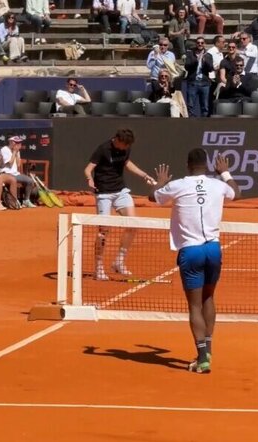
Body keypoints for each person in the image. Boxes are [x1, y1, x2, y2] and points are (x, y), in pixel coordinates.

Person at [149, 149, 240, 373]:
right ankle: (207, 350)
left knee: (195, 305)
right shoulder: (218, 185)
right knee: (208, 297)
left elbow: (153, 197)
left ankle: (202, 359)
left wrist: (160, 183)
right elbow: (237, 193)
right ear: (207, 165)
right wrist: (225, 173)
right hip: (213, 250)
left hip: (191, 252)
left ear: (188, 164)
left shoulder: (177, 185)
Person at [83, 128, 156, 281]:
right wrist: (89, 179)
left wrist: (144, 176)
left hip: (120, 191)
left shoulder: (125, 148)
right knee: (103, 231)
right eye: (125, 145)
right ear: (117, 140)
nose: (126, 148)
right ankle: (98, 268)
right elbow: (88, 169)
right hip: (104, 194)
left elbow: (127, 163)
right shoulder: (103, 149)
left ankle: (119, 261)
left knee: (133, 224)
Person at [0, 135, 36, 208]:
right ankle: (14, 201)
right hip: (6, 173)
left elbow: (18, 164)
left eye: (19, 142)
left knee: (30, 181)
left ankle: (26, 201)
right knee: (13, 180)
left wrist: (16, 153)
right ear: (10, 142)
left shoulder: (17, 151)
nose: (18, 144)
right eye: (16, 142)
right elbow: (10, 163)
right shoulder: (4, 149)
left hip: (16, 174)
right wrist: (14, 151)